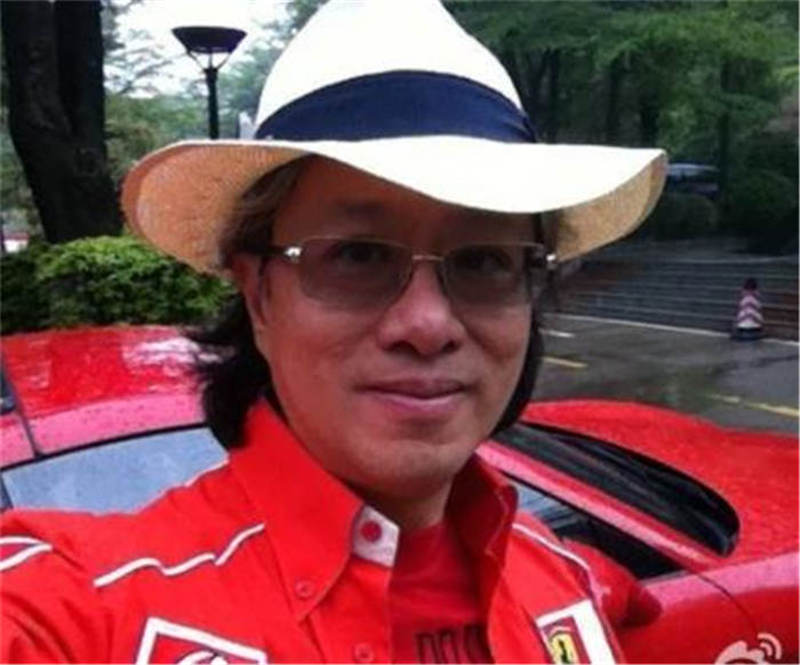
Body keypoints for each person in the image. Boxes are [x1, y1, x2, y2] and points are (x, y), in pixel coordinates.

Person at [0, 1, 666, 663]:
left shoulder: (560, 589)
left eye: (484, 260)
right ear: (259, 295)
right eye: (358, 255)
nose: (427, 324)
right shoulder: (93, 611)